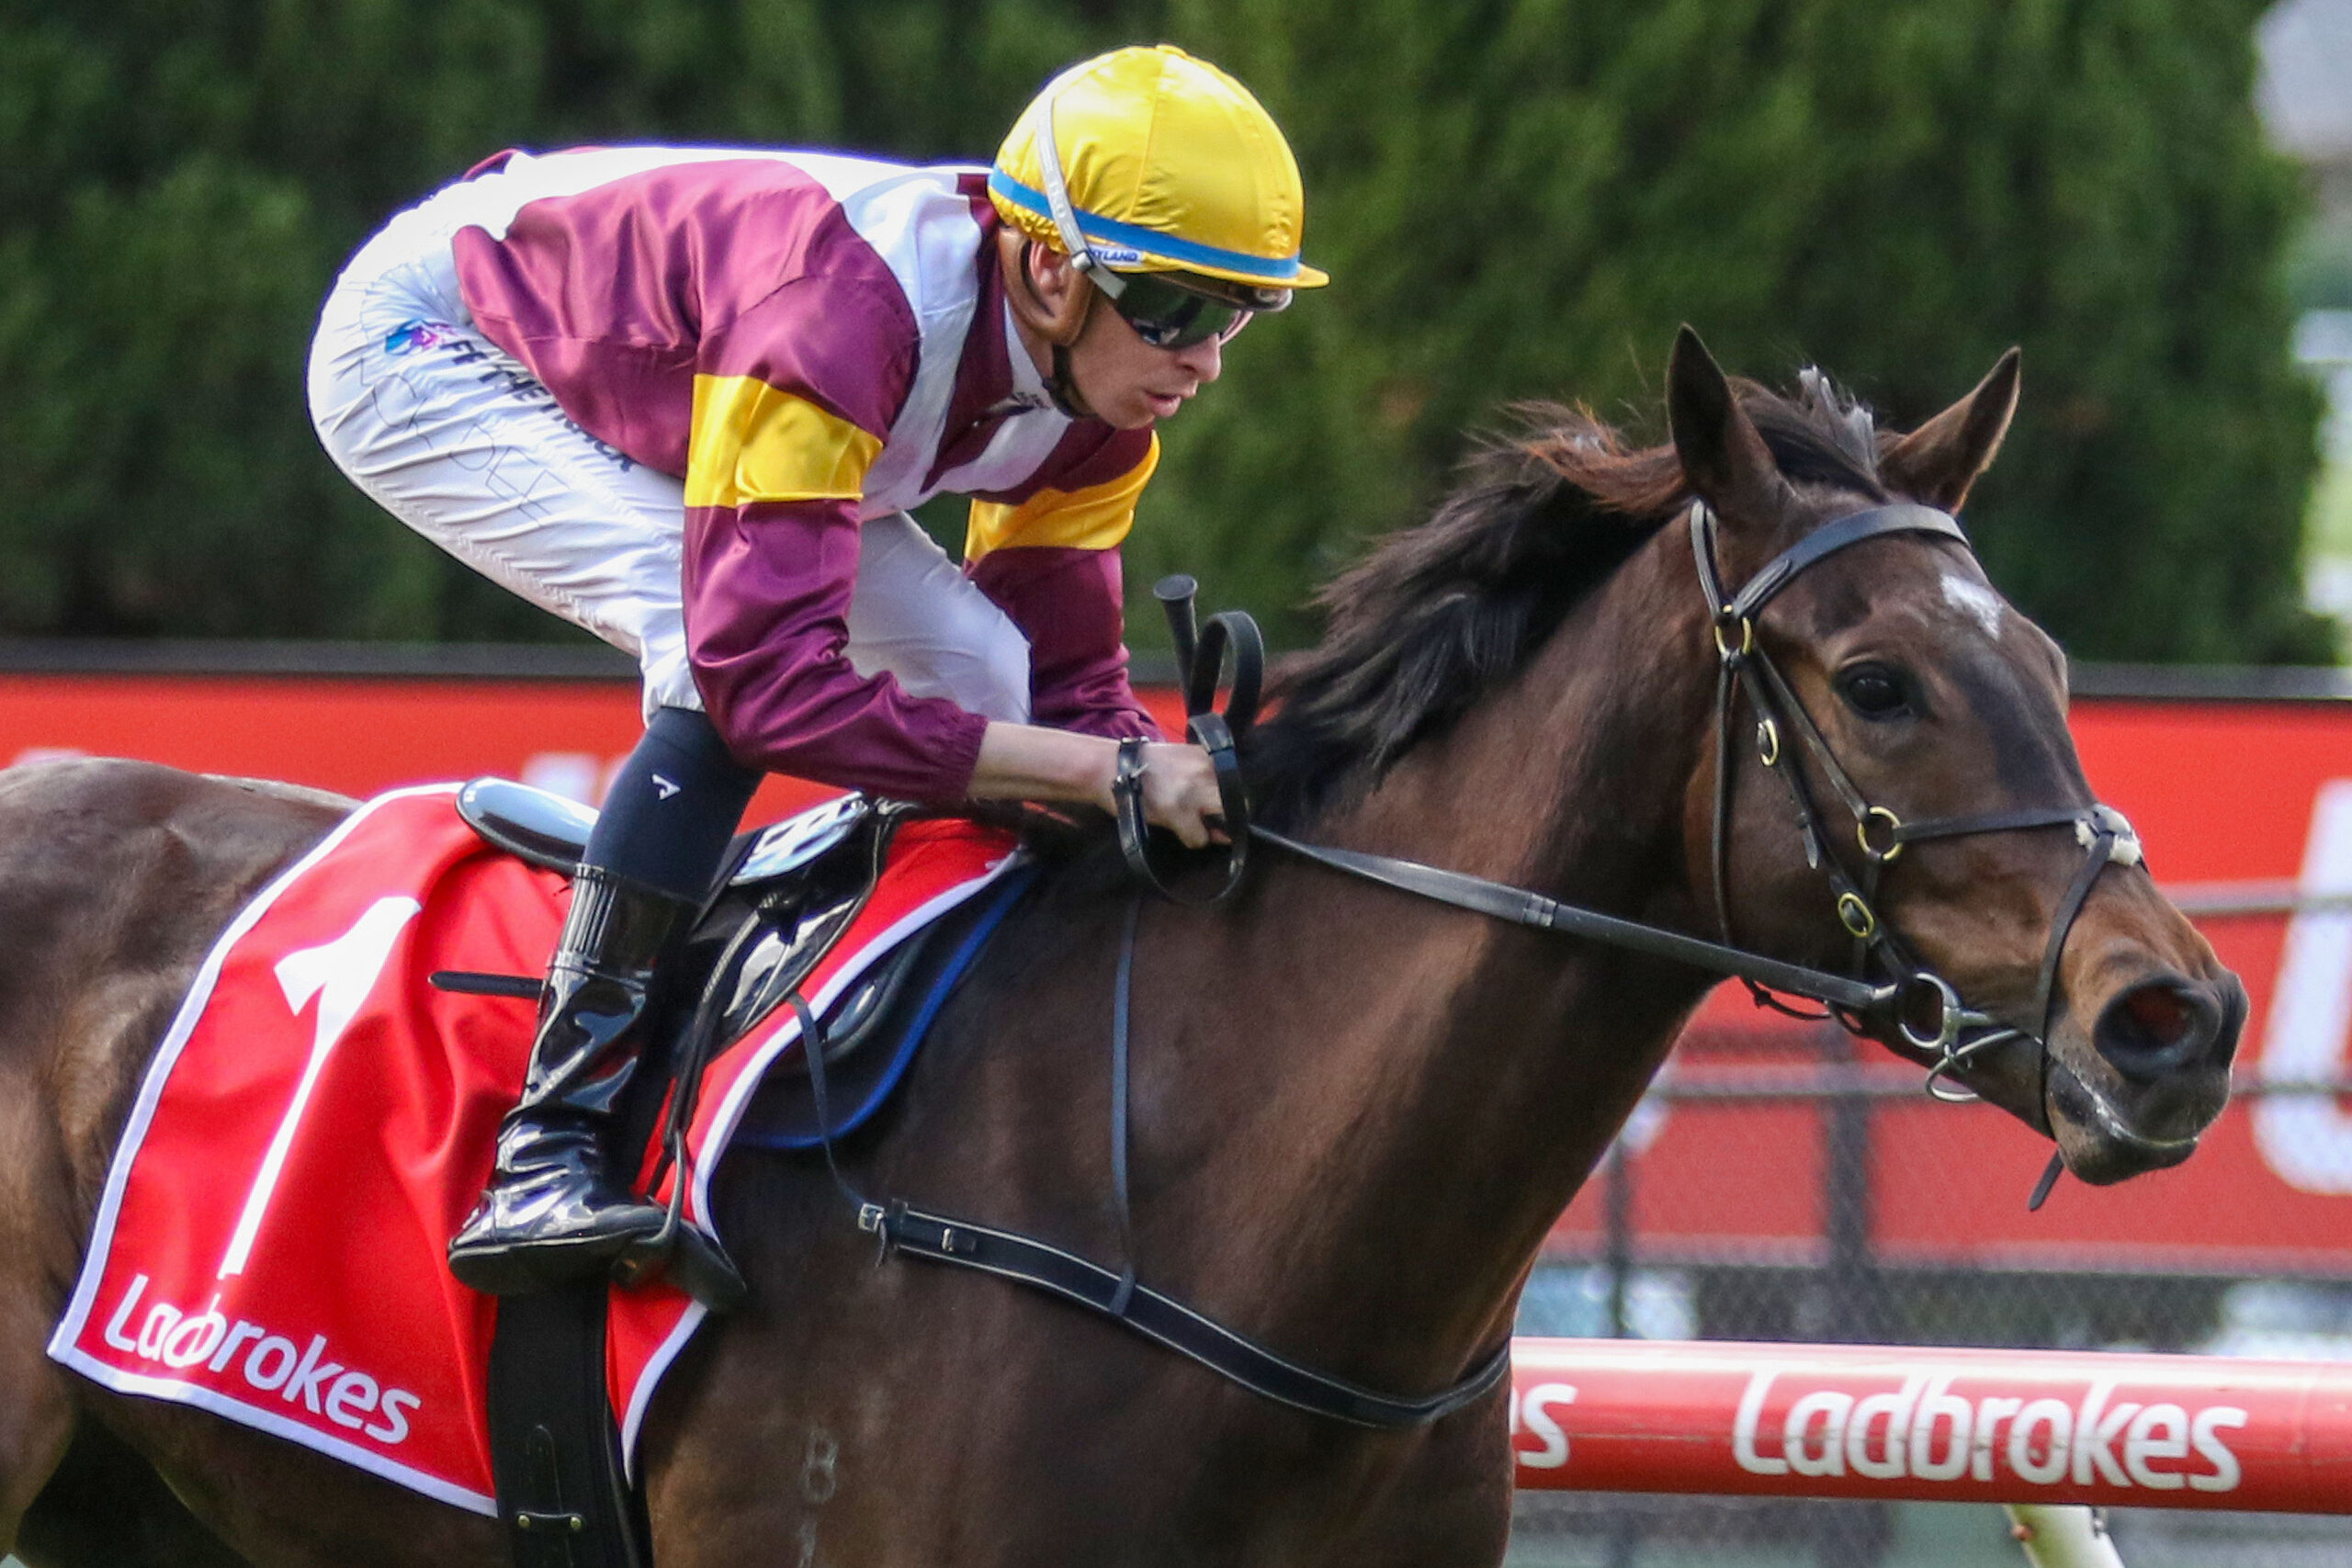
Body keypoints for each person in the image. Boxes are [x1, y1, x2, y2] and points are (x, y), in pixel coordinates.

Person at [306, 44, 1326, 1296]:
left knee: (983, 674)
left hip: (687, 368)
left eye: (1238, 314)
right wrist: (1111, 772)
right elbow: (764, 685)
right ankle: (547, 1146)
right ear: (1052, 272)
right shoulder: (849, 316)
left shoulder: (1101, 419)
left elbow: (1065, 703)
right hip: (434, 342)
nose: (1205, 360)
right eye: (1178, 309)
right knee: (706, 648)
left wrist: (1172, 807)